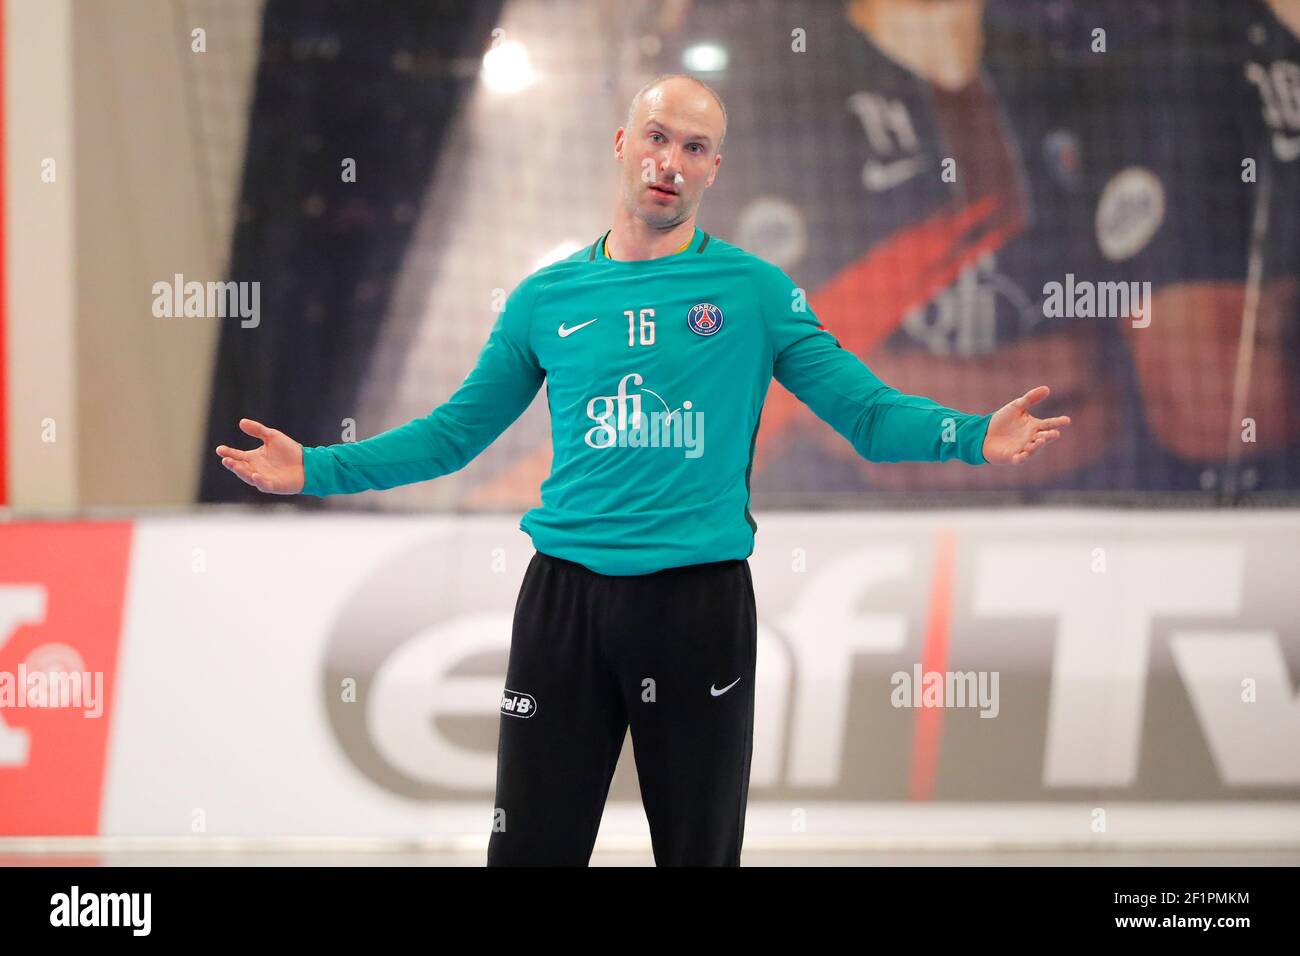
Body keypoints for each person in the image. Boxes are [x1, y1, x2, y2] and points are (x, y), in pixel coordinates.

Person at [214, 73, 1070, 866]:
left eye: (694, 148)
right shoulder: (546, 299)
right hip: (565, 610)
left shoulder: (756, 293)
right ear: (622, 144)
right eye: (658, 138)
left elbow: (869, 415)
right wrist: (315, 469)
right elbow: (451, 437)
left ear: (713, 171)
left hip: (696, 608)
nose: (671, 162)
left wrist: (971, 436)